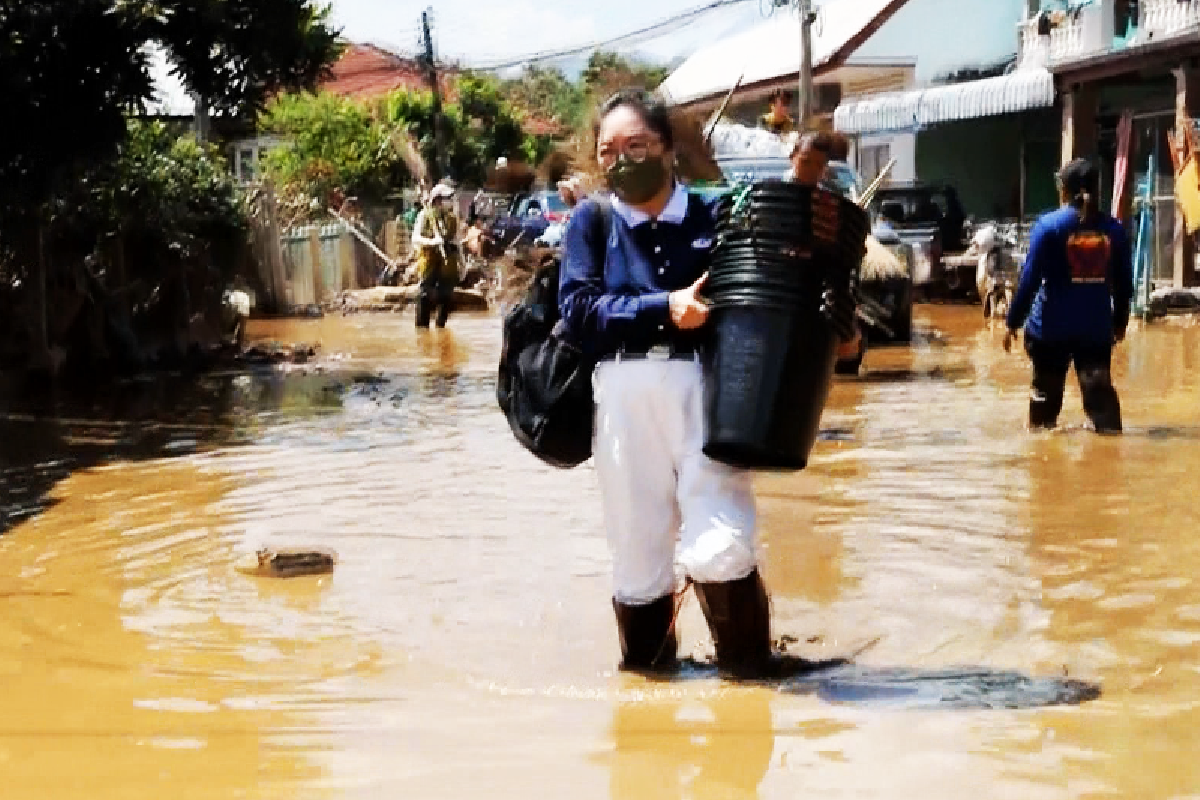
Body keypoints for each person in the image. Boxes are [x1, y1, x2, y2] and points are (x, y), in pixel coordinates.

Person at [558, 89, 856, 680]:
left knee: (721, 536)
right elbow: (579, 311)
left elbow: (780, 259)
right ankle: (648, 682)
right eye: (609, 151)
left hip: (709, 388)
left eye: (637, 145)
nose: (622, 161)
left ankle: (748, 675)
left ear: (668, 149)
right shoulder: (592, 222)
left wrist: (809, 194)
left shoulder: (717, 215)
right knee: (637, 546)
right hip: (621, 395)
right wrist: (662, 306)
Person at [1003, 157, 1133, 433]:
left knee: (1042, 421)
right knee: (1104, 418)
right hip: (1095, 331)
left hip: (1049, 332)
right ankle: (1108, 468)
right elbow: (1124, 283)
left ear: (1064, 190)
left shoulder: (1048, 227)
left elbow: (1029, 280)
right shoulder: (1114, 231)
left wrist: (1012, 322)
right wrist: (1120, 321)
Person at [411, 182, 461, 329]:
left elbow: (457, 242)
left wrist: (462, 264)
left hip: (448, 261)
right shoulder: (424, 215)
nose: (450, 201)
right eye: (447, 198)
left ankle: (440, 327)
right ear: (438, 200)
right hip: (429, 261)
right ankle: (422, 330)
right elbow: (415, 238)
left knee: (446, 296)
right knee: (425, 295)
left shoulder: (452, 218)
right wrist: (433, 242)